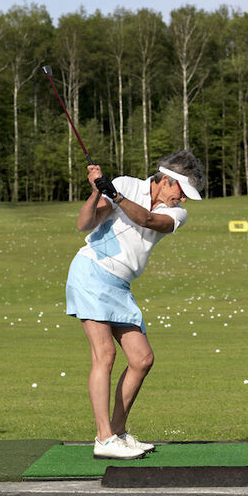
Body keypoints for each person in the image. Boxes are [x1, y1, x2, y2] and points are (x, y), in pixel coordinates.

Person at [65, 150, 205, 460]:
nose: (181, 200)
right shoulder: (125, 184)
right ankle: (104, 439)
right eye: (181, 191)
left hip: (120, 285)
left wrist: (114, 194)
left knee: (142, 359)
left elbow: (149, 220)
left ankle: (117, 431)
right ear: (166, 180)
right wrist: (96, 192)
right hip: (92, 272)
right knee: (105, 354)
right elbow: (84, 223)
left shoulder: (176, 213)